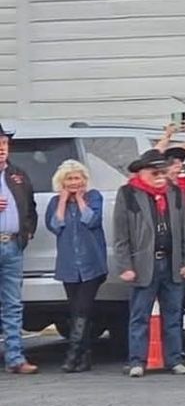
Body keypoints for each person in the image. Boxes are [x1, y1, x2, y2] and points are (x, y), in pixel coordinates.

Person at [113, 151, 185, 377]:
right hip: (143, 264)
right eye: (154, 172)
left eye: (163, 172)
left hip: (171, 262)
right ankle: (137, 361)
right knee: (140, 315)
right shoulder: (128, 194)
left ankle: (174, 359)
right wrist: (125, 266)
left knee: (173, 314)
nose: (160, 177)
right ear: (142, 173)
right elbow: (121, 235)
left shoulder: (175, 193)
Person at [45, 159, 107, 373]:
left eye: (77, 178)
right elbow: (55, 225)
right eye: (69, 179)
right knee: (76, 311)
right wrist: (63, 201)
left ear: (84, 180)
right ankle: (85, 356)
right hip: (69, 266)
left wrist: (81, 201)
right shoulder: (55, 202)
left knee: (82, 308)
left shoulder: (94, 197)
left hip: (92, 265)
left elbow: (92, 220)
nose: (74, 182)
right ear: (62, 182)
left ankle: (72, 355)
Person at [0, 125, 38, 374]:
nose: (1, 149)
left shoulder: (18, 175)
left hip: (12, 245)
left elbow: (31, 208)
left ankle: (15, 358)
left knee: (13, 304)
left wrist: (27, 231)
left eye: (3, 144)